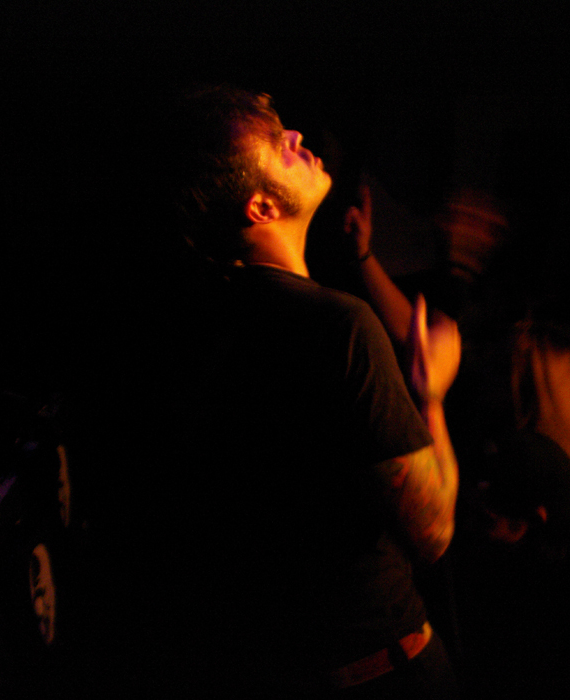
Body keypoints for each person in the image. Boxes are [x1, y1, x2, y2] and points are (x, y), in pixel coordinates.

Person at [124, 84, 463, 698]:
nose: (297, 136)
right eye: (276, 143)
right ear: (259, 207)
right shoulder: (337, 325)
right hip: (385, 670)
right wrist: (430, 395)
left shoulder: (198, 321)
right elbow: (433, 532)